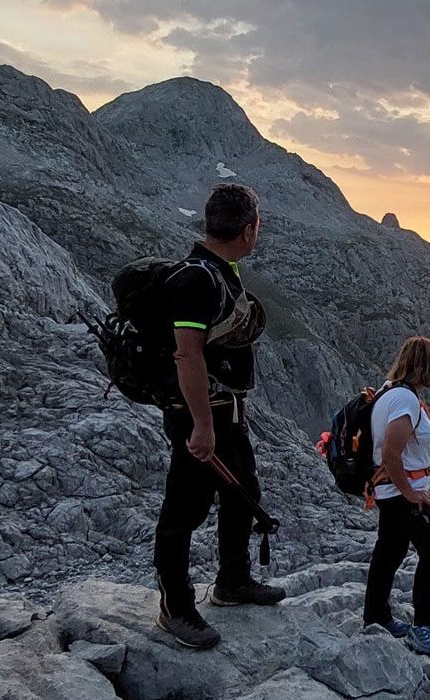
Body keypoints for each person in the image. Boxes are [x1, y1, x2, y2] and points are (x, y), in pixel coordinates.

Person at [153, 183, 285, 650]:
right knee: (183, 511)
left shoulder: (220, 272)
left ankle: (233, 581)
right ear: (250, 229)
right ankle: (176, 607)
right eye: (258, 224)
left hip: (225, 413)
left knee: (241, 492)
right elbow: (187, 355)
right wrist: (202, 426)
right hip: (200, 416)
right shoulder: (197, 279)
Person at [363, 336, 430, 658]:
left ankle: (376, 615)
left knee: (390, 550)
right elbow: (390, 453)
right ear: (426, 364)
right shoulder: (405, 401)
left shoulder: (389, 392)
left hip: (389, 491)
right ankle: (423, 627)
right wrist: (412, 493)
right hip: (400, 494)